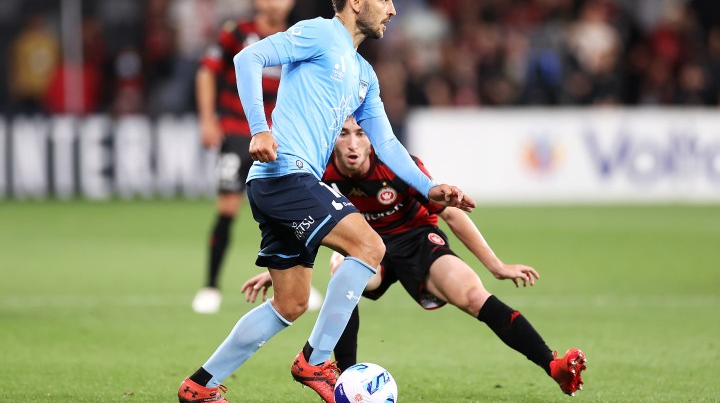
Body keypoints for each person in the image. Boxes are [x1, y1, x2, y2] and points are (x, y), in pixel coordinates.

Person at [177, 0, 476, 402]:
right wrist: (259, 129)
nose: (392, 10)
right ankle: (315, 361)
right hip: (285, 175)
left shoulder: (364, 74)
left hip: (285, 184)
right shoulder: (319, 32)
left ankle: (199, 386)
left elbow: (386, 143)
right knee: (370, 247)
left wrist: (430, 187)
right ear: (356, 1)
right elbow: (248, 57)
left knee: (291, 304)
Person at [241, 117, 588, 397]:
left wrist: (496, 266)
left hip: (416, 239)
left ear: (372, 139)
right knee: (343, 269)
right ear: (332, 137)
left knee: (472, 295)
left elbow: (451, 214)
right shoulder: (318, 170)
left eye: (361, 133)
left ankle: (553, 365)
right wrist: (279, 271)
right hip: (366, 247)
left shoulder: (396, 165)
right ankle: (345, 381)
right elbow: (305, 224)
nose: (352, 143)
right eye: (343, 133)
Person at [190, 0, 323, 314]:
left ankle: (301, 282)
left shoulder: (298, 36)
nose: (272, 2)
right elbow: (206, 73)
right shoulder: (237, 33)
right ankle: (210, 286)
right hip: (238, 133)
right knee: (227, 208)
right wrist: (207, 120)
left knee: (294, 211)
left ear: (290, 0)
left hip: (283, 137)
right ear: (257, 0)